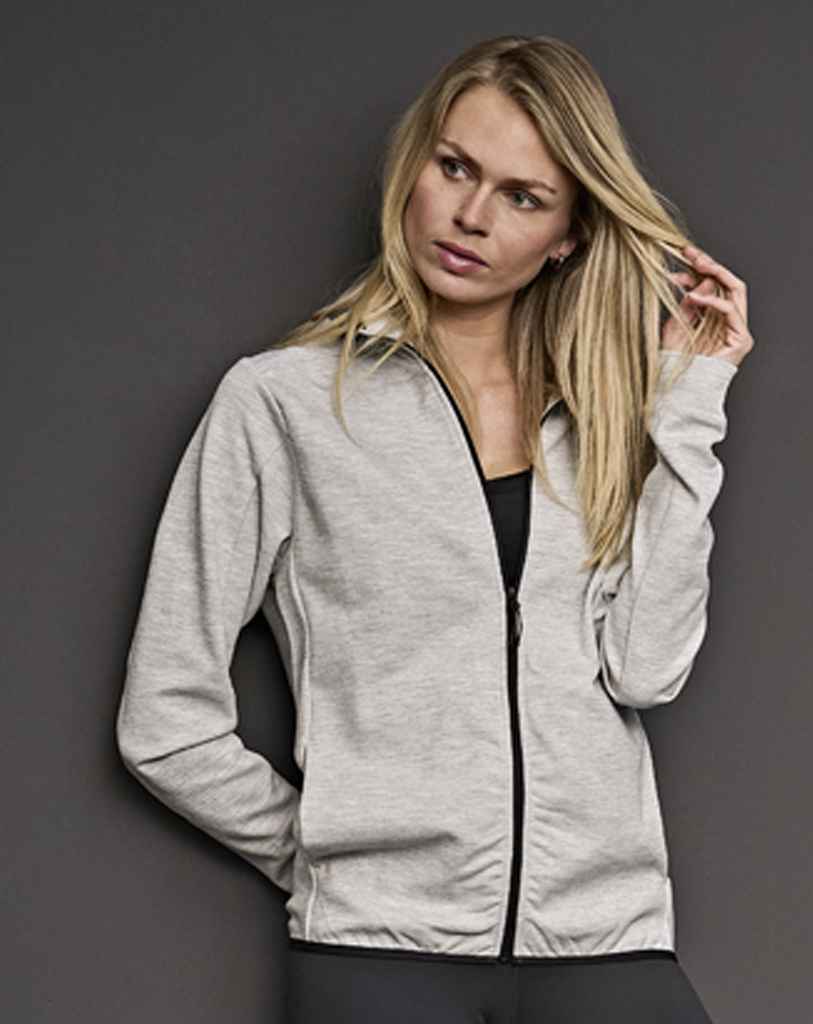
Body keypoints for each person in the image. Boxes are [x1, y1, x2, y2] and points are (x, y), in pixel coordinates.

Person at [116, 32, 753, 1023]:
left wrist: (689, 406)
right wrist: (334, 855)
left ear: (568, 234)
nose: (471, 216)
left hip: (606, 940)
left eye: (523, 196)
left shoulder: (604, 420)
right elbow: (164, 720)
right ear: (415, 166)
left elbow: (644, 669)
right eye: (455, 167)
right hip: (380, 959)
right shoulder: (282, 406)